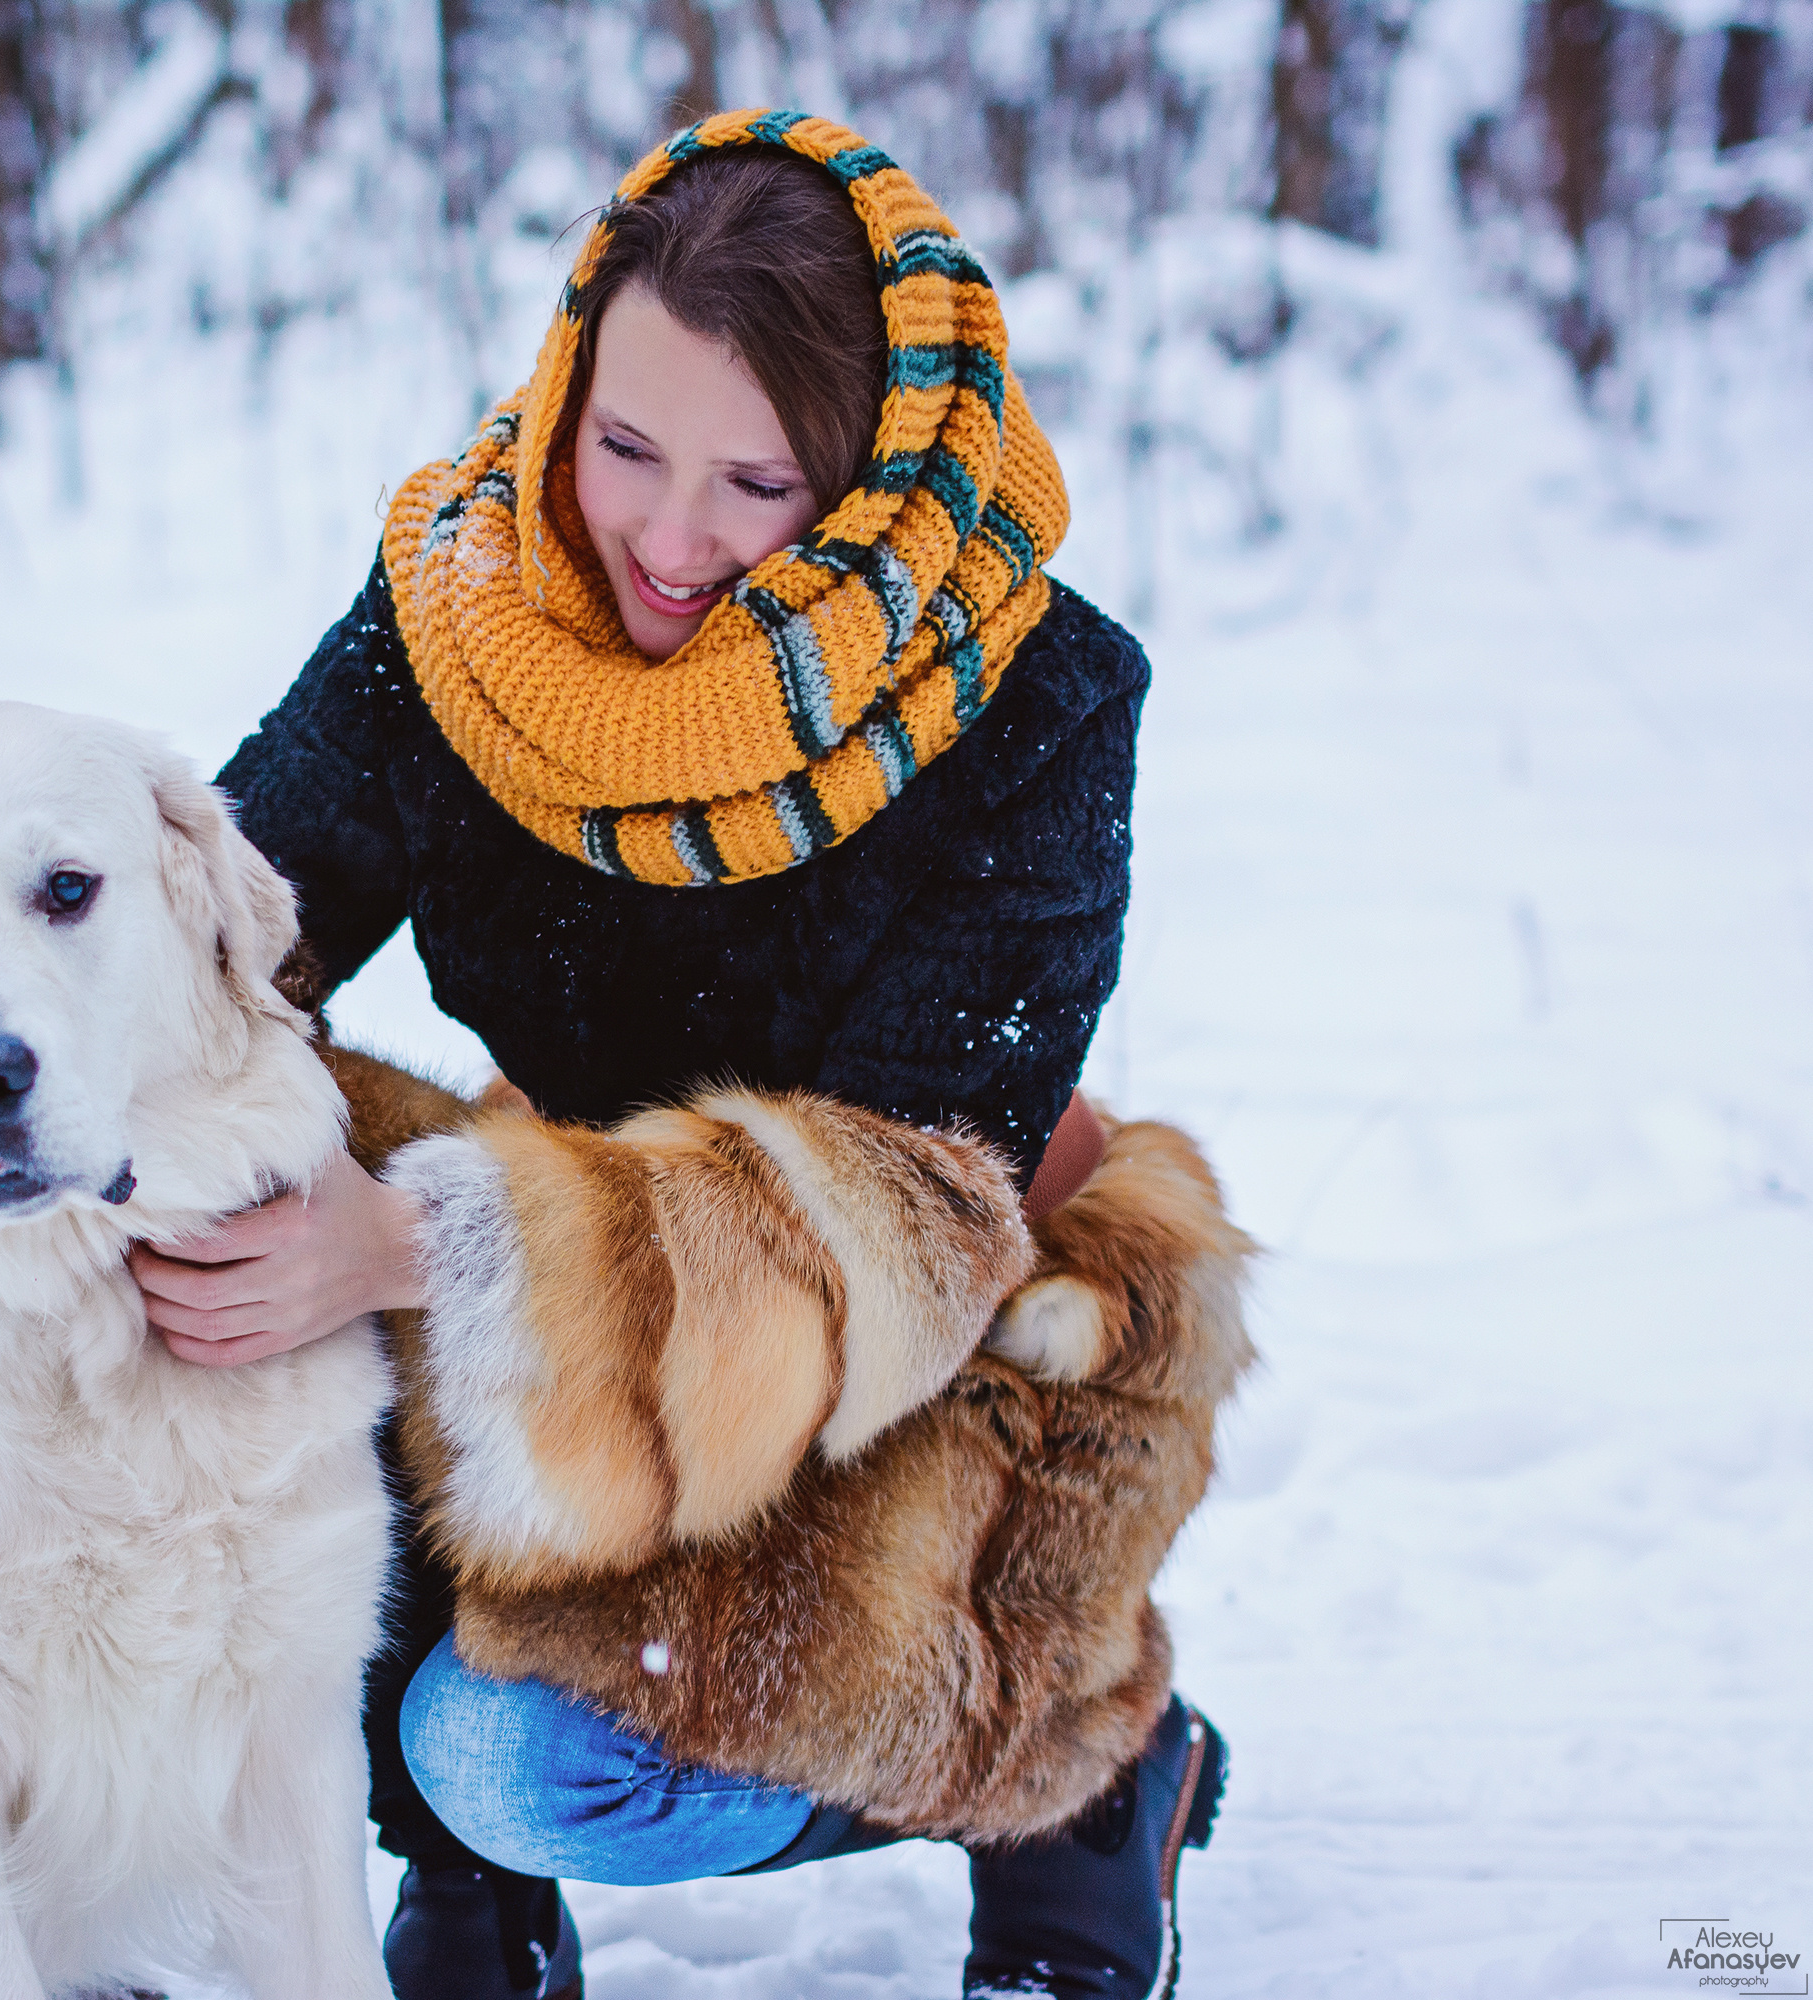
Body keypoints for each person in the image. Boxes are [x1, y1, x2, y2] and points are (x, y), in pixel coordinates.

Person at [127, 114, 1224, 2000]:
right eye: (624, 448)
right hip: (574, 1312)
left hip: (910, 1337)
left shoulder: (1032, 698)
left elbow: (912, 1213)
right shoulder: (465, 624)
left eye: (758, 483)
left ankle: (1080, 1773)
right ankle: (436, 1836)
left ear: (870, 477)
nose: (666, 539)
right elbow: (221, 945)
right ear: (562, 392)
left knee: (533, 1759)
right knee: (207, 1155)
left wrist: (429, 1247)